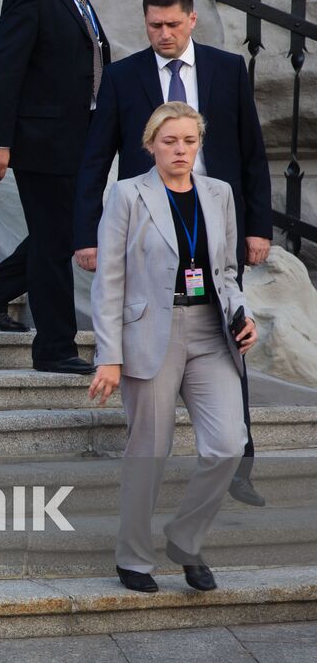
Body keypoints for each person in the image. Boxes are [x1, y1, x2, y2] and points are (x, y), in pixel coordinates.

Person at [74, 0, 272, 506]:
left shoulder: (227, 70)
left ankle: (239, 462)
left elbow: (252, 152)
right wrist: (86, 235)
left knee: (233, 337)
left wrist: (258, 228)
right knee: (155, 335)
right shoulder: (123, 76)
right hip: (148, 228)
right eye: (153, 26)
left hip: (216, 221)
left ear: (191, 22)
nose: (162, 34)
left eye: (171, 25)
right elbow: (96, 158)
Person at [88, 102, 256, 594]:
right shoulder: (127, 195)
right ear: (150, 145)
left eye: (188, 141)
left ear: (199, 143)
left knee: (228, 445)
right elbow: (110, 281)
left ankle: (185, 539)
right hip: (149, 335)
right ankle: (134, 557)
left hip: (211, 332)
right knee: (150, 452)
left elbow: (226, 271)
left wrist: (242, 314)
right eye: (169, 141)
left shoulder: (219, 193)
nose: (179, 150)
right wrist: (109, 356)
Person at [0, 0, 111, 374]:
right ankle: (54, 348)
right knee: (54, 244)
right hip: (42, 143)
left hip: (78, 140)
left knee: (58, 235)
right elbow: (4, 73)